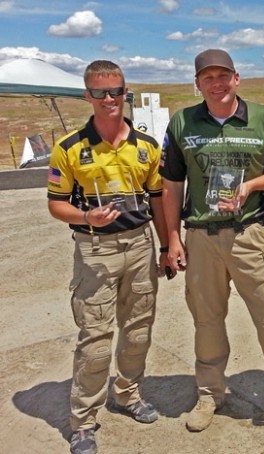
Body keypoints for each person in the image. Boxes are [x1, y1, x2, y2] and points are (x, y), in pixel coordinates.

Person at [160, 48, 264, 432]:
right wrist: (173, 238)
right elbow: (171, 185)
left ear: (236, 78)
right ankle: (210, 394)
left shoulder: (263, 118)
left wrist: (251, 185)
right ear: (197, 83)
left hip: (248, 235)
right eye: (208, 77)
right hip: (201, 237)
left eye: (223, 75)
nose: (217, 83)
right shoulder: (182, 123)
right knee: (207, 321)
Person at [47, 60, 171, 454]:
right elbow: (55, 204)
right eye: (100, 93)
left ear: (125, 92)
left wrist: (168, 246)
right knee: (96, 339)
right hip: (95, 249)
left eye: (116, 91)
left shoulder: (147, 146)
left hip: (139, 245)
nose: (109, 99)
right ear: (87, 95)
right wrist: (86, 216)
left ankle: (128, 394)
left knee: (138, 331)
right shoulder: (69, 148)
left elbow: (158, 200)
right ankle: (83, 421)